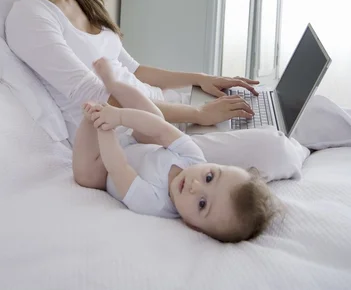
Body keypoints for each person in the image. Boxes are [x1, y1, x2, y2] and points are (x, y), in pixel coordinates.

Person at [5, 0, 306, 180]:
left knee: (286, 105)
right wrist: (199, 114)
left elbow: (134, 70)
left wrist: (203, 80)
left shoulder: (82, 1)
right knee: (274, 147)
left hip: (162, 107)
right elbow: (101, 98)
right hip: (133, 135)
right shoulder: (31, 18)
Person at [73, 57, 278, 243]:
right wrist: (119, 117)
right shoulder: (194, 158)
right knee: (155, 118)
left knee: (87, 176)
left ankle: (91, 116)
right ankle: (114, 85)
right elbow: (161, 130)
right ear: (214, 166)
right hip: (137, 144)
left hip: (107, 168)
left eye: (201, 204)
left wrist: (104, 125)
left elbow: (119, 168)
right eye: (209, 177)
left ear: (192, 226)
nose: (195, 186)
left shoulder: (154, 203)